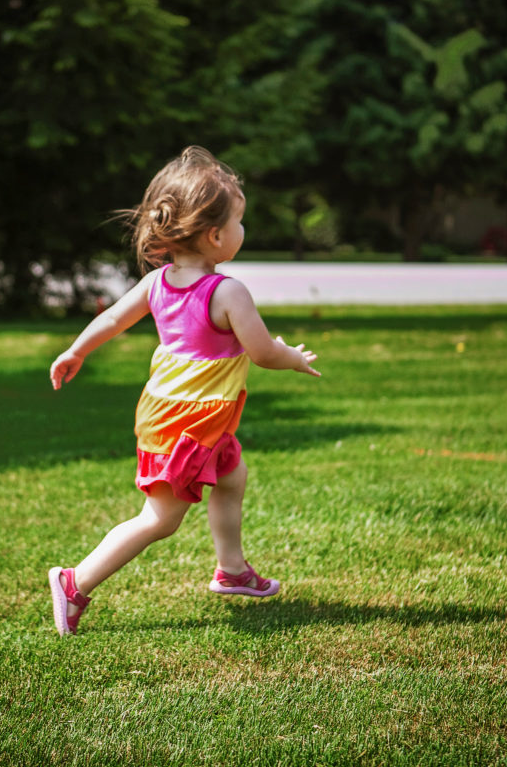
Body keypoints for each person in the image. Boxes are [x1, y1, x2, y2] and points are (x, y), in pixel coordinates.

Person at [48, 146, 320, 636]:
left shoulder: (158, 282)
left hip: (181, 415)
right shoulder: (227, 292)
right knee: (160, 519)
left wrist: (77, 350)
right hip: (189, 425)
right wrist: (294, 357)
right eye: (240, 221)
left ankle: (232, 570)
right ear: (216, 236)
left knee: (231, 476)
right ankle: (75, 581)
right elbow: (261, 352)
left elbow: (112, 318)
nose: (243, 231)